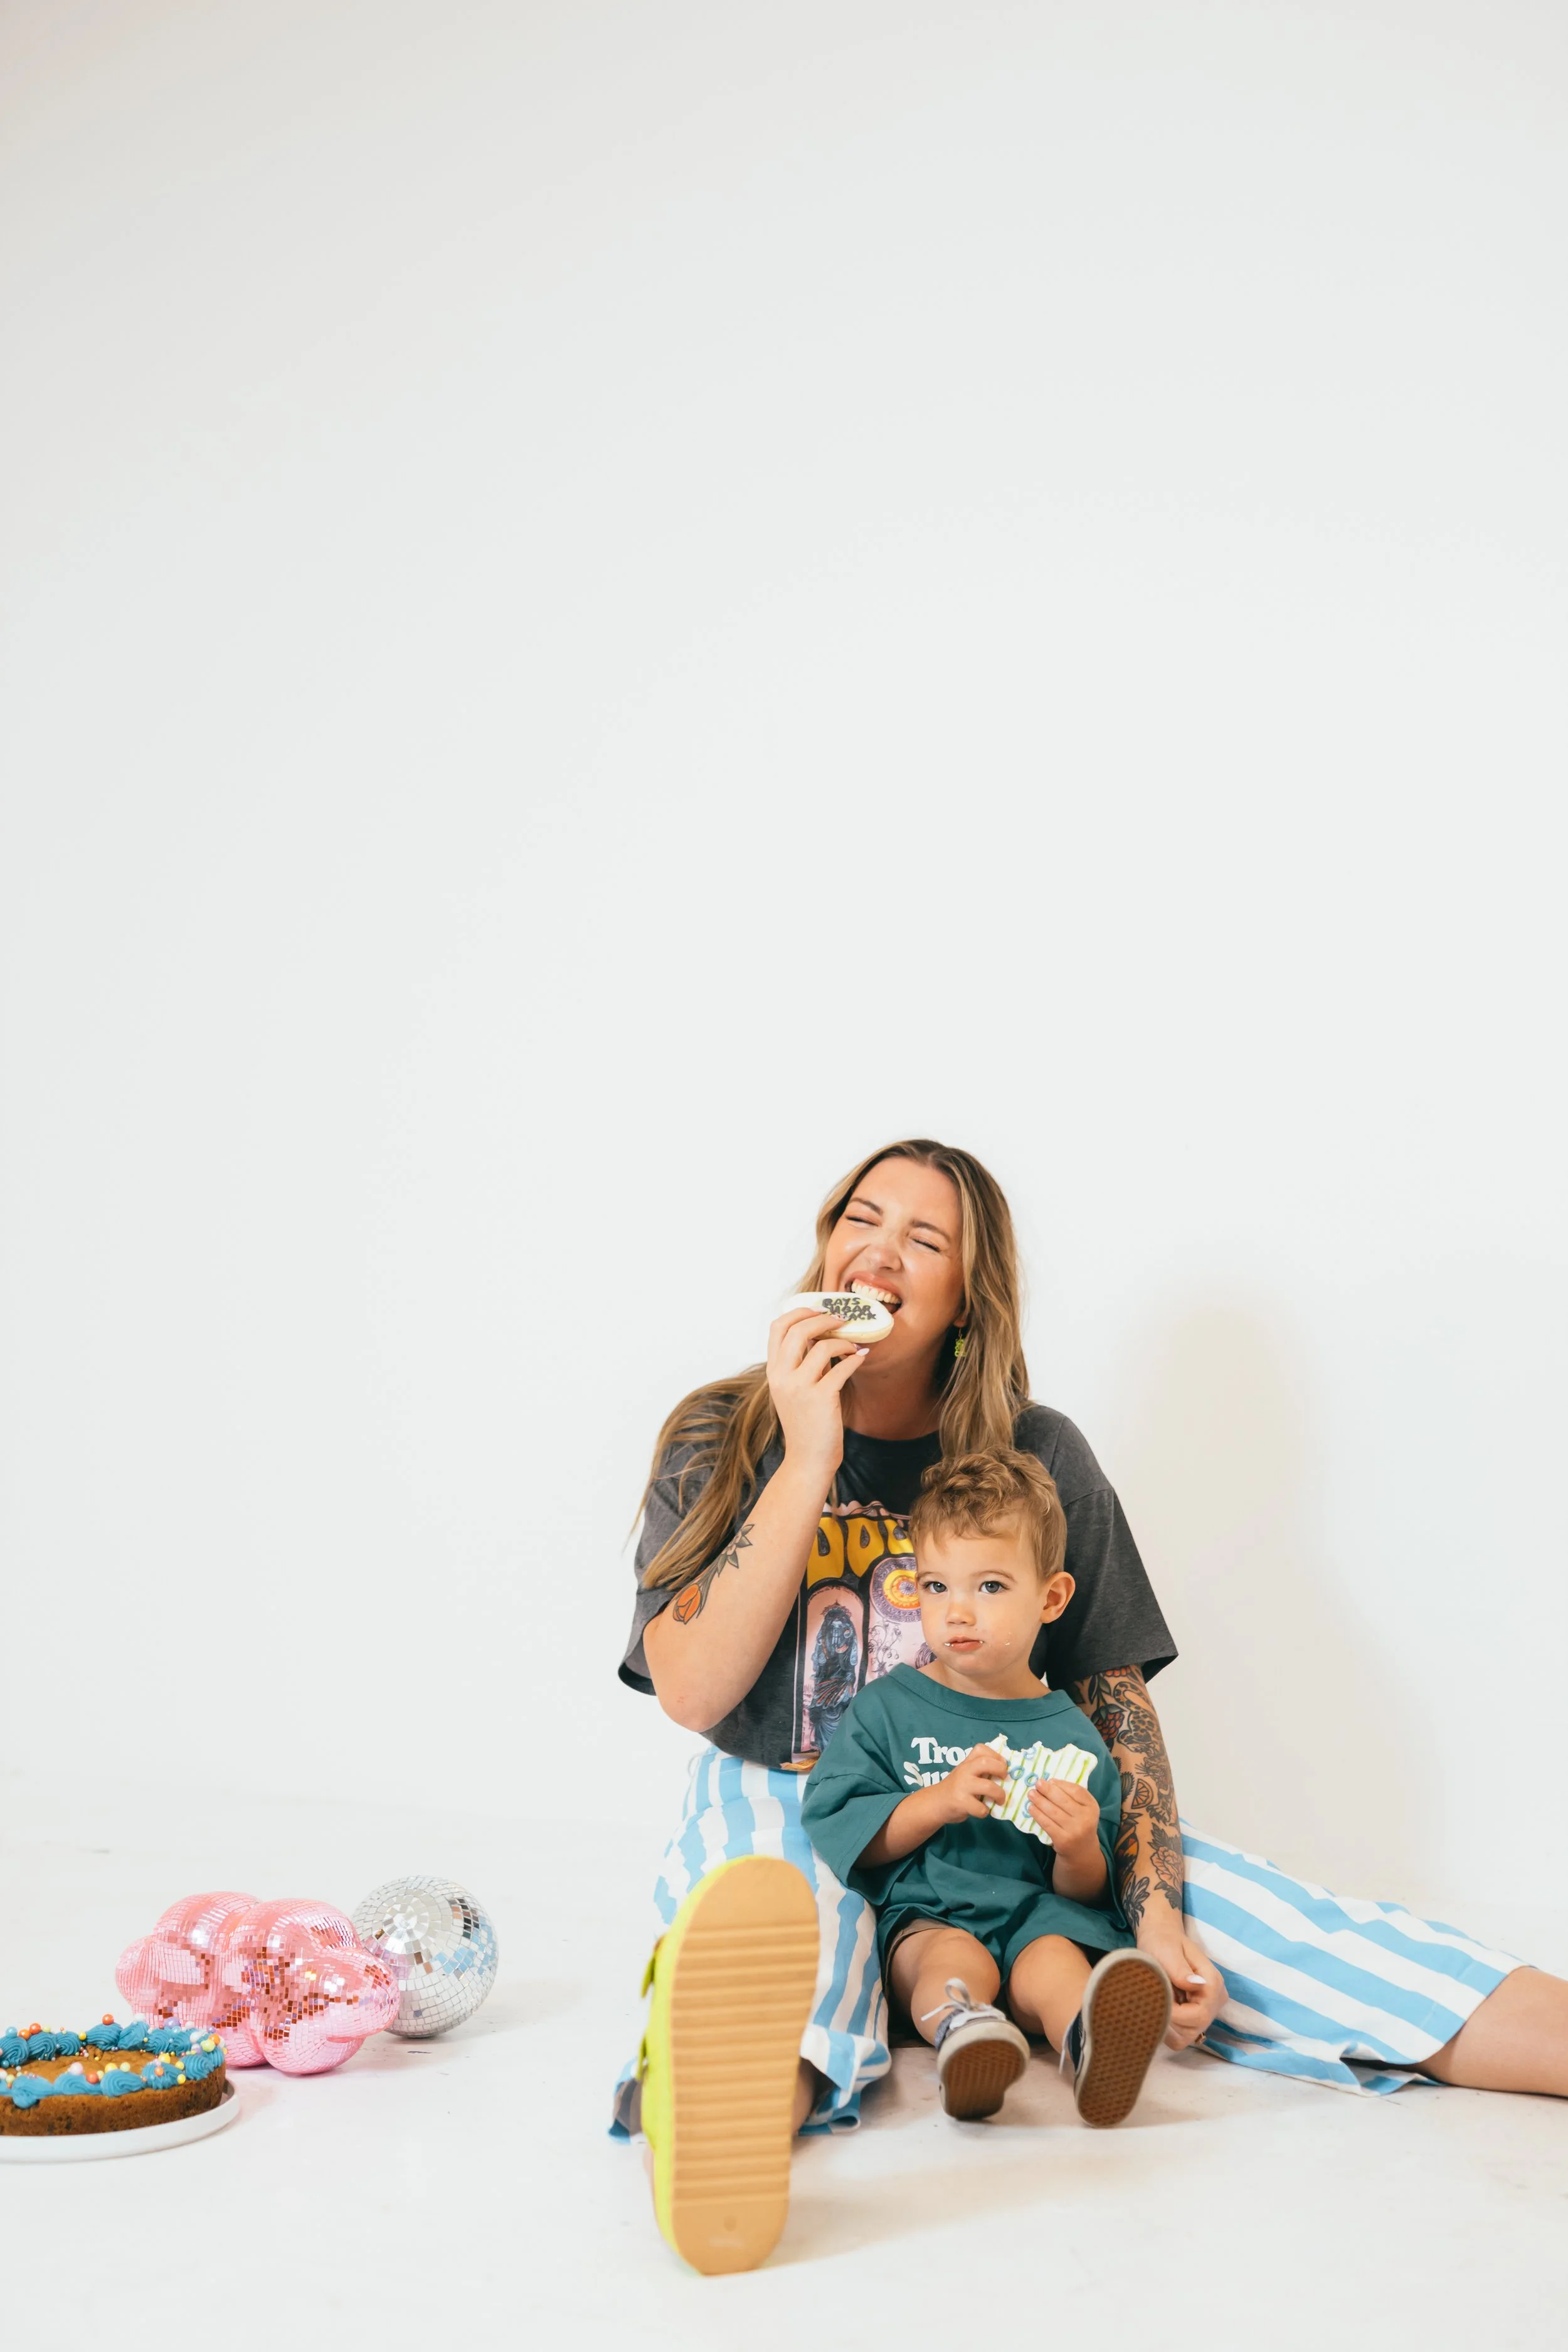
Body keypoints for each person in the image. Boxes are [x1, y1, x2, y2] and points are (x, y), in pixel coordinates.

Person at [617, 1139, 1568, 2270]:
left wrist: (1152, 1898)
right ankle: (726, 2129)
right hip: (794, 1790)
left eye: (925, 1240)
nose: (879, 1252)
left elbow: (1114, 1703)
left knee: (1275, 1931)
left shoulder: (1036, 1452)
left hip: (1020, 1812)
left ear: (971, 1293)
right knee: (787, 1922)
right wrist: (808, 1447)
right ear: (824, 1244)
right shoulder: (723, 1432)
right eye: (859, 1221)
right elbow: (693, 1690)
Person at [801, 1446, 1175, 2128]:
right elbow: (835, 1820)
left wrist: (1076, 1851)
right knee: (949, 1958)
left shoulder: (1072, 1735)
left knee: (1055, 1961)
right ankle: (965, 2033)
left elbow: (1087, 1890)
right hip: (931, 1913)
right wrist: (934, 1802)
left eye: (991, 1587)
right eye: (936, 1587)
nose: (957, 1613)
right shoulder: (888, 1709)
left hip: (1037, 1914)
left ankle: (1090, 2042)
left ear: (1052, 1598)